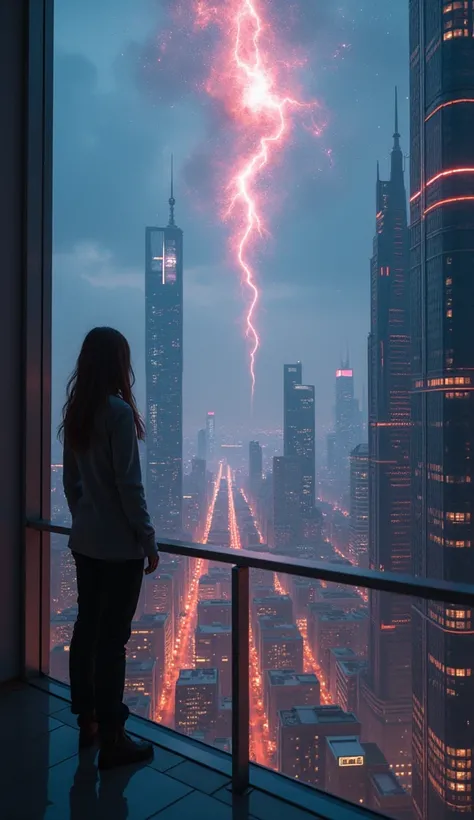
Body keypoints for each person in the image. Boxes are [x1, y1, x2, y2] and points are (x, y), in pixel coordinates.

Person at [60, 327, 160, 770]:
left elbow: (70, 484)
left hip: (85, 543)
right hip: (119, 549)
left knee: (86, 630)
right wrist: (148, 538)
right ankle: (115, 738)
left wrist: (86, 519)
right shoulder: (118, 414)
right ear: (119, 364)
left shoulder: (78, 413)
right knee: (113, 640)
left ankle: (88, 723)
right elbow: (129, 485)